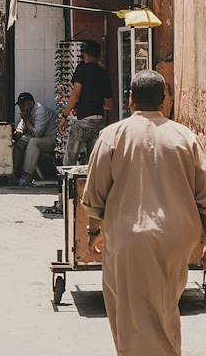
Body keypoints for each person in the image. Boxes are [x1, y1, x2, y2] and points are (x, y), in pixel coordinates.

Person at [82, 70, 206, 356]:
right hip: (177, 240)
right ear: (164, 101)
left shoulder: (112, 135)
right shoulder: (185, 137)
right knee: (163, 307)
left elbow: (95, 194)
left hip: (129, 238)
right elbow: (203, 195)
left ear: (130, 100)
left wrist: (93, 233)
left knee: (133, 316)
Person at [60, 41, 112, 165]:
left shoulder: (82, 69)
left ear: (85, 55)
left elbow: (75, 95)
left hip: (83, 120)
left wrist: (64, 116)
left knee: (70, 160)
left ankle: (66, 184)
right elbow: (108, 105)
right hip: (99, 120)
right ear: (99, 56)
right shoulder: (104, 73)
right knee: (94, 162)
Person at [12, 92, 58, 186]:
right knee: (19, 143)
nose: (21, 108)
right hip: (40, 137)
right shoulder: (27, 112)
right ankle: (12, 173)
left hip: (52, 139)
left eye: (23, 105)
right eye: (20, 105)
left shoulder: (41, 111)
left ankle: (26, 176)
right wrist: (16, 134)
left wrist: (26, 119)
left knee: (34, 142)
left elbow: (37, 134)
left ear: (30, 103)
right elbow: (20, 129)